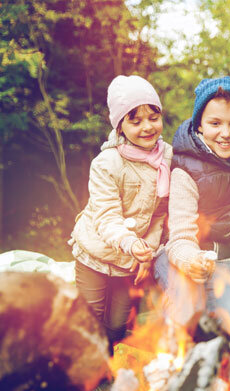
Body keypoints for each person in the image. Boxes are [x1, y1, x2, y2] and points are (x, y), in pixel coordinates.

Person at [154, 77, 230, 333]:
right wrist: (191, 260)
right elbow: (180, 236)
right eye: (215, 123)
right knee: (188, 313)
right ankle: (175, 362)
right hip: (181, 255)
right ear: (199, 125)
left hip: (226, 260)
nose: (225, 133)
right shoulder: (186, 170)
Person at [69, 75, 172, 345]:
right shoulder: (107, 163)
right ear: (120, 127)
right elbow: (106, 217)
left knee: (118, 323)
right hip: (97, 252)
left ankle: (114, 375)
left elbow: (159, 214)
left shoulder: (167, 158)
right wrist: (129, 243)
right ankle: (86, 377)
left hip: (131, 261)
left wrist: (145, 253)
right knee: (91, 318)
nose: (147, 127)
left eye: (153, 117)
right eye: (135, 121)